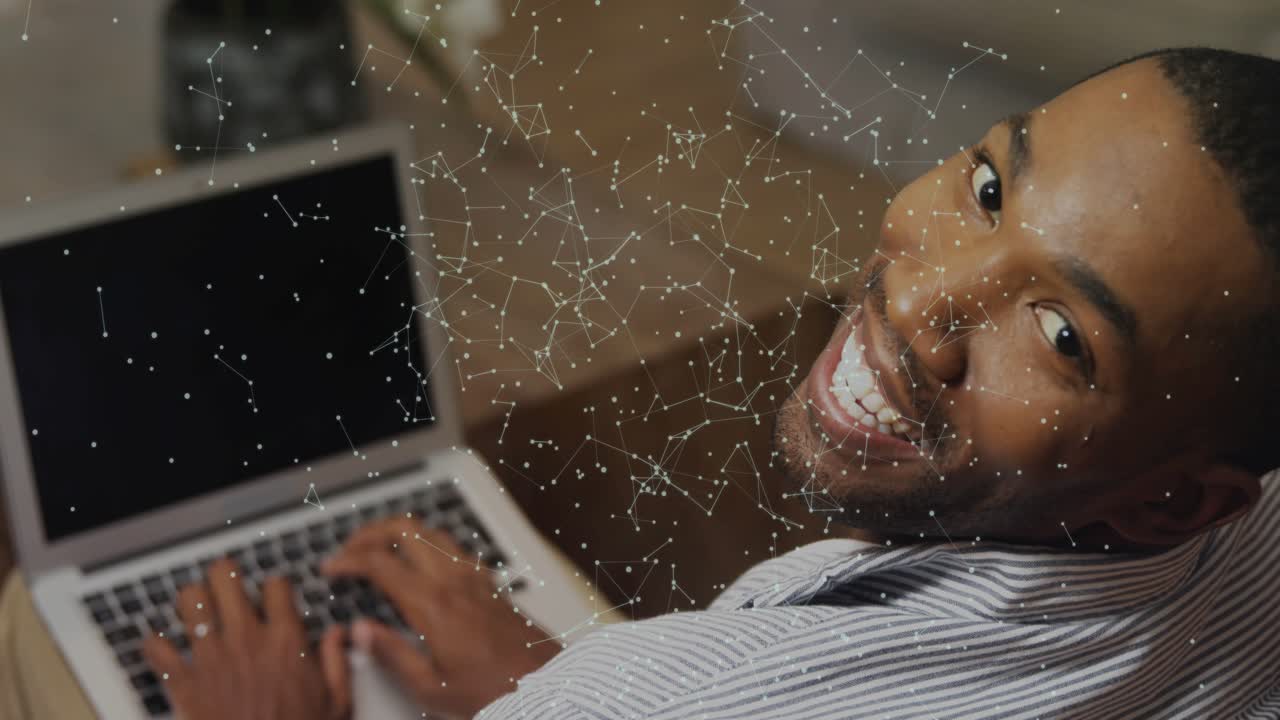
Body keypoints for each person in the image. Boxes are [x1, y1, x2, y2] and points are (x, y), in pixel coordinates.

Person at [6, 45, 1280, 719]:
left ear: (1176, 501)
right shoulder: (1250, 520)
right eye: (990, 185)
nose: (920, 296)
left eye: (1061, 338)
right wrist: (564, 679)